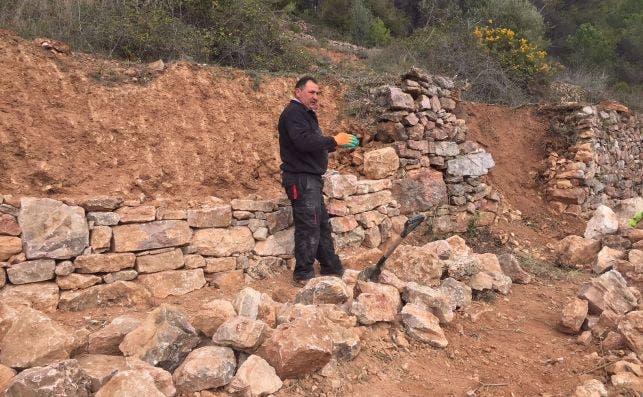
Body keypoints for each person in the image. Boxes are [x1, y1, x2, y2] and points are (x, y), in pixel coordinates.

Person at [278, 76, 359, 287]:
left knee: (320, 224)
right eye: (312, 92)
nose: (316, 97)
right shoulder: (293, 113)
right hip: (301, 179)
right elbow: (303, 142)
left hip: (310, 179)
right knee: (309, 226)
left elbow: (310, 142)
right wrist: (334, 141)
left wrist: (333, 143)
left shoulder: (306, 114)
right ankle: (303, 274)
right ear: (298, 92)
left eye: (318, 93)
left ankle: (331, 266)